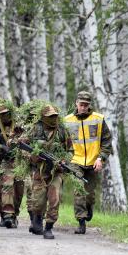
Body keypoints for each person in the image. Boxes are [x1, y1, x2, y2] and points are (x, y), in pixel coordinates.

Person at [64, 91, 112, 234]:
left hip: (93, 161)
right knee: (79, 190)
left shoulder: (98, 119)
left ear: (89, 105)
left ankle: (89, 207)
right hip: (75, 161)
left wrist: (100, 158)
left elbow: (107, 141)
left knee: (89, 195)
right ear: (76, 104)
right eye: (81, 104)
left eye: (86, 105)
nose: (83, 107)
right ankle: (81, 222)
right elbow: (62, 142)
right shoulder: (67, 120)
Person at [27, 104, 73, 239]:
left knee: (54, 199)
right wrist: (33, 156)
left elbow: (70, 150)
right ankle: (36, 219)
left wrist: (64, 161)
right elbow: (23, 148)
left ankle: (49, 227)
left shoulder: (62, 131)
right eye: (50, 117)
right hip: (39, 171)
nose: (53, 119)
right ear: (43, 117)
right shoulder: (35, 130)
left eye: (55, 116)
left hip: (56, 172)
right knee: (38, 201)